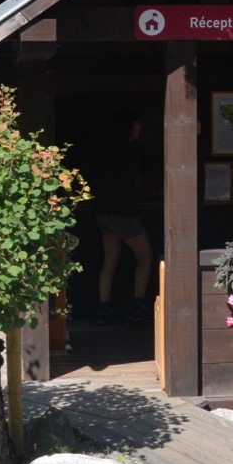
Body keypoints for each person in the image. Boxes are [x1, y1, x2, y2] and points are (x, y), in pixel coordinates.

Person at [92, 114, 153, 321]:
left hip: (102, 211)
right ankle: (137, 305)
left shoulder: (105, 149)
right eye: (137, 125)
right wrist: (132, 213)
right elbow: (127, 184)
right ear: (129, 128)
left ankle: (104, 308)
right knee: (145, 258)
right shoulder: (131, 151)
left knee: (110, 259)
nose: (140, 128)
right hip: (122, 213)